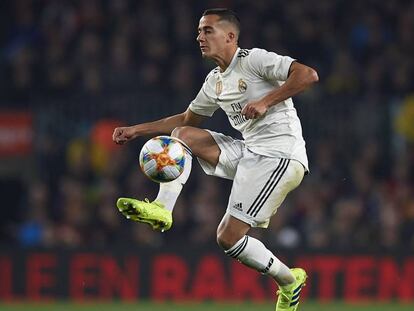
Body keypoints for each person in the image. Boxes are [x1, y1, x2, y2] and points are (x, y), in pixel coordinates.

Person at [112, 8, 318, 311]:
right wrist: (136, 130)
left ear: (230, 36)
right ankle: (162, 208)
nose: (199, 37)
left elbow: (307, 75)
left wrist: (264, 101)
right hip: (251, 152)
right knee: (183, 133)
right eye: (198, 31)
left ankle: (289, 282)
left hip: (280, 155)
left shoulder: (254, 60)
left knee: (227, 237)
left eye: (208, 30)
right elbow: (186, 118)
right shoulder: (214, 81)